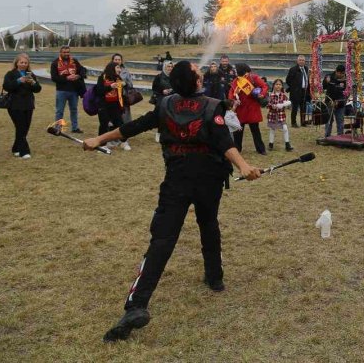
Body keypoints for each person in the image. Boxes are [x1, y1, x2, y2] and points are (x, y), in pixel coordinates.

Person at [84, 61, 261, 342]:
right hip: (207, 180)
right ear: (195, 82)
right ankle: (214, 278)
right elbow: (224, 140)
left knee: (162, 241)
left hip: (177, 180)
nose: (201, 71)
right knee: (208, 223)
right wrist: (242, 165)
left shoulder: (165, 105)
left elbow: (132, 127)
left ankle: (137, 304)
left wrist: (99, 138)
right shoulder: (212, 106)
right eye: (196, 70)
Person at [2, 53, 42, 159]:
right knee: (20, 127)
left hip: (28, 104)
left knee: (25, 128)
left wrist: (33, 82)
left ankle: (16, 148)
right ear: (17, 63)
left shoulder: (30, 74)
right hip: (14, 105)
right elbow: (7, 87)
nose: (23, 64)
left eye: (25, 62)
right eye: (21, 62)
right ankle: (24, 151)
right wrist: (19, 81)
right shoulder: (10, 74)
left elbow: (38, 89)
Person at [229, 63, 268, 155]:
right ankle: (237, 149)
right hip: (241, 108)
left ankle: (261, 149)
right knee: (238, 131)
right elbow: (231, 92)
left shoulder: (253, 78)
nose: (234, 71)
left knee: (255, 130)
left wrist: (262, 93)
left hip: (252, 108)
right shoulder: (236, 81)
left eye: (236, 69)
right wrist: (233, 100)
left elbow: (264, 86)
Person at [50, 46, 86, 133]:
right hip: (61, 90)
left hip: (74, 90)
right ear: (60, 53)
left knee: (74, 110)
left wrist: (78, 75)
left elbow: (83, 70)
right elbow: (54, 78)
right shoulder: (55, 63)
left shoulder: (74, 61)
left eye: (68, 52)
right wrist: (67, 78)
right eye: (64, 52)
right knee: (59, 111)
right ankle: (58, 128)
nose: (66, 54)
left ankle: (75, 128)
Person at [94, 63, 127, 143]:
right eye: (118, 68)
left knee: (120, 124)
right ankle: (102, 145)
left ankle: (123, 142)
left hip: (115, 105)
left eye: (120, 68)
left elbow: (123, 91)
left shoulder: (118, 78)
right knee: (104, 124)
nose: (120, 70)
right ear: (112, 68)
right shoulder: (102, 77)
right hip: (103, 105)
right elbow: (98, 91)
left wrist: (124, 84)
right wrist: (110, 87)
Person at [151, 60, 175, 143]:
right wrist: (162, 91)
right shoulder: (159, 77)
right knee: (161, 116)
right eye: (168, 66)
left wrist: (172, 90)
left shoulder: (175, 77)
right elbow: (154, 88)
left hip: (172, 99)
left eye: (171, 67)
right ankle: (159, 133)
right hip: (162, 99)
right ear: (165, 67)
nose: (170, 68)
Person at [266, 79, 293, 152]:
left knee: (285, 128)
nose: (278, 86)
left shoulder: (284, 95)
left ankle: (287, 144)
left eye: (280, 84)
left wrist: (285, 104)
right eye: (276, 84)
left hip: (281, 115)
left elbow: (288, 103)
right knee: (272, 129)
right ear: (274, 85)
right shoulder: (270, 95)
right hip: (273, 115)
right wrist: (274, 106)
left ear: (282, 86)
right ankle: (270, 144)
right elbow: (268, 105)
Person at [322, 65, 347, 138]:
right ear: (336, 71)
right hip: (329, 102)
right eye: (339, 73)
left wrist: (340, 101)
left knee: (340, 120)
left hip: (340, 104)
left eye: (342, 74)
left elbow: (346, 92)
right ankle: (327, 136)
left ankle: (340, 137)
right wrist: (326, 81)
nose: (341, 75)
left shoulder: (346, 79)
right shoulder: (329, 76)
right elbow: (324, 87)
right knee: (329, 120)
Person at [285, 55, 310, 128]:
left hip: (304, 91)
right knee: (295, 108)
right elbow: (288, 80)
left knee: (303, 108)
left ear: (305, 62)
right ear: (297, 61)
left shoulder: (306, 69)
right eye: (300, 60)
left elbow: (307, 79)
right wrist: (294, 87)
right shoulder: (293, 69)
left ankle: (303, 122)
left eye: (303, 60)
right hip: (296, 92)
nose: (302, 61)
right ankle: (293, 122)